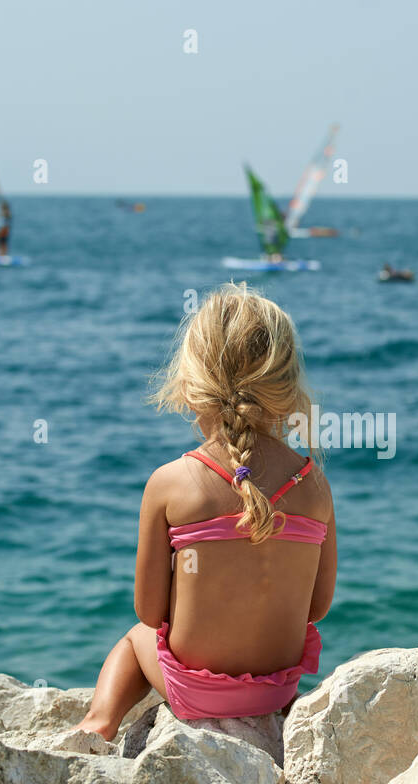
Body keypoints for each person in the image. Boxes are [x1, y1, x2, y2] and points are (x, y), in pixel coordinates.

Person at [74, 284, 337, 737]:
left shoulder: (172, 482)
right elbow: (317, 607)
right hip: (278, 689)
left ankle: (99, 722)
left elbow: (150, 613)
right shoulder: (313, 482)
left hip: (194, 695)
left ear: (193, 382)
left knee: (133, 640)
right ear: (286, 383)